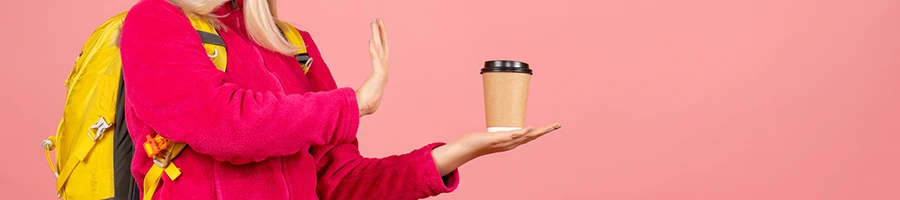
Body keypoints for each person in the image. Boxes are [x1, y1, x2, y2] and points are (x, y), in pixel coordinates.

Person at [119, 0, 561, 199]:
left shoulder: (292, 44)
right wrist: (355, 105)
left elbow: (340, 182)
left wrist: (454, 154)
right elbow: (226, 124)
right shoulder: (154, 21)